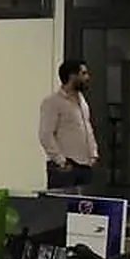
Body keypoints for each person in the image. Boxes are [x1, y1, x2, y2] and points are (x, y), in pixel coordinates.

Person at [39, 59, 98, 193]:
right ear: (72, 76)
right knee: (61, 208)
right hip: (65, 166)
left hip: (85, 165)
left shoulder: (82, 100)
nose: (87, 77)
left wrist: (93, 152)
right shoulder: (53, 102)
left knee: (83, 210)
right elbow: (45, 135)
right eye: (83, 73)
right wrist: (61, 161)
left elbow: (87, 127)